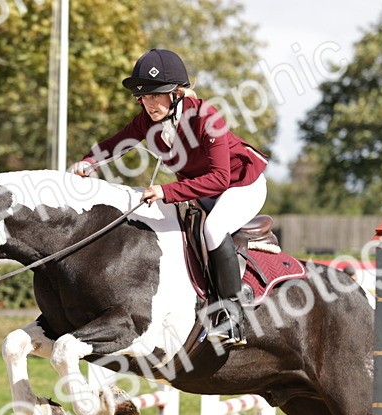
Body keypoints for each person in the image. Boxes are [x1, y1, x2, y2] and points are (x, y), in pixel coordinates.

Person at [75, 49, 268, 346]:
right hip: (201, 189)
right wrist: (89, 162)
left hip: (241, 185)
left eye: (155, 95)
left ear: (176, 93)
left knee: (213, 228)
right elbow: (118, 142)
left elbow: (220, 178)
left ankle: (232, 318)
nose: (147, 103)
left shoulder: (207, 117)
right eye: (143, 97)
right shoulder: (148, 119)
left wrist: (166, 191)